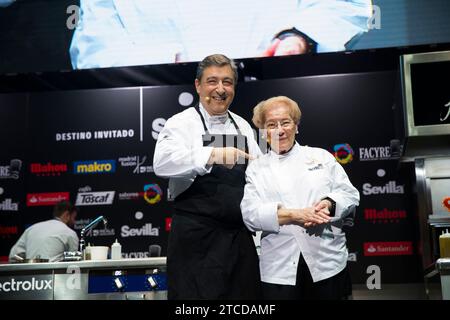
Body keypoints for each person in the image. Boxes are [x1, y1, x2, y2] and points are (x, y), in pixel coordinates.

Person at [153, 54, 262, 299]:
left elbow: (257, 173)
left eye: (228, 82)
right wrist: (213, 154)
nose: (220, 89)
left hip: (237, 240)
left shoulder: (243, 126)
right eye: (212, 81)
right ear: (198, 85)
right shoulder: (180, 123)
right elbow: (161, 163)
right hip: (195, 242)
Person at [241, 96, 360, 300]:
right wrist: (294, 215)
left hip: (327, 262)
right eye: (271, 124)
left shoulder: (321, 157)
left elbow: (349, 194)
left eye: (286, 122)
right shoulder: (256, 169)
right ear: (264, 132)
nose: (280, 130)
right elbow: (250, 214)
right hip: (279, 270)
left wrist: (328, 205)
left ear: (296, 125)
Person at [70, 0, 373, 69]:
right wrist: (174, 63)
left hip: (279, 102)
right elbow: (94, 49)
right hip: (161, 117)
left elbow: (345, 5)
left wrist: (299, 38)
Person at [9, 200, 79, 262]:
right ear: (67, 215)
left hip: (30, 275)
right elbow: (73, 263)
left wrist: (28, 262)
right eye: (74, 218)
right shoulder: (70, 233)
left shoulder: (31, 229)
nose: (74, 222)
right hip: (56, 274)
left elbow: (13, 256)